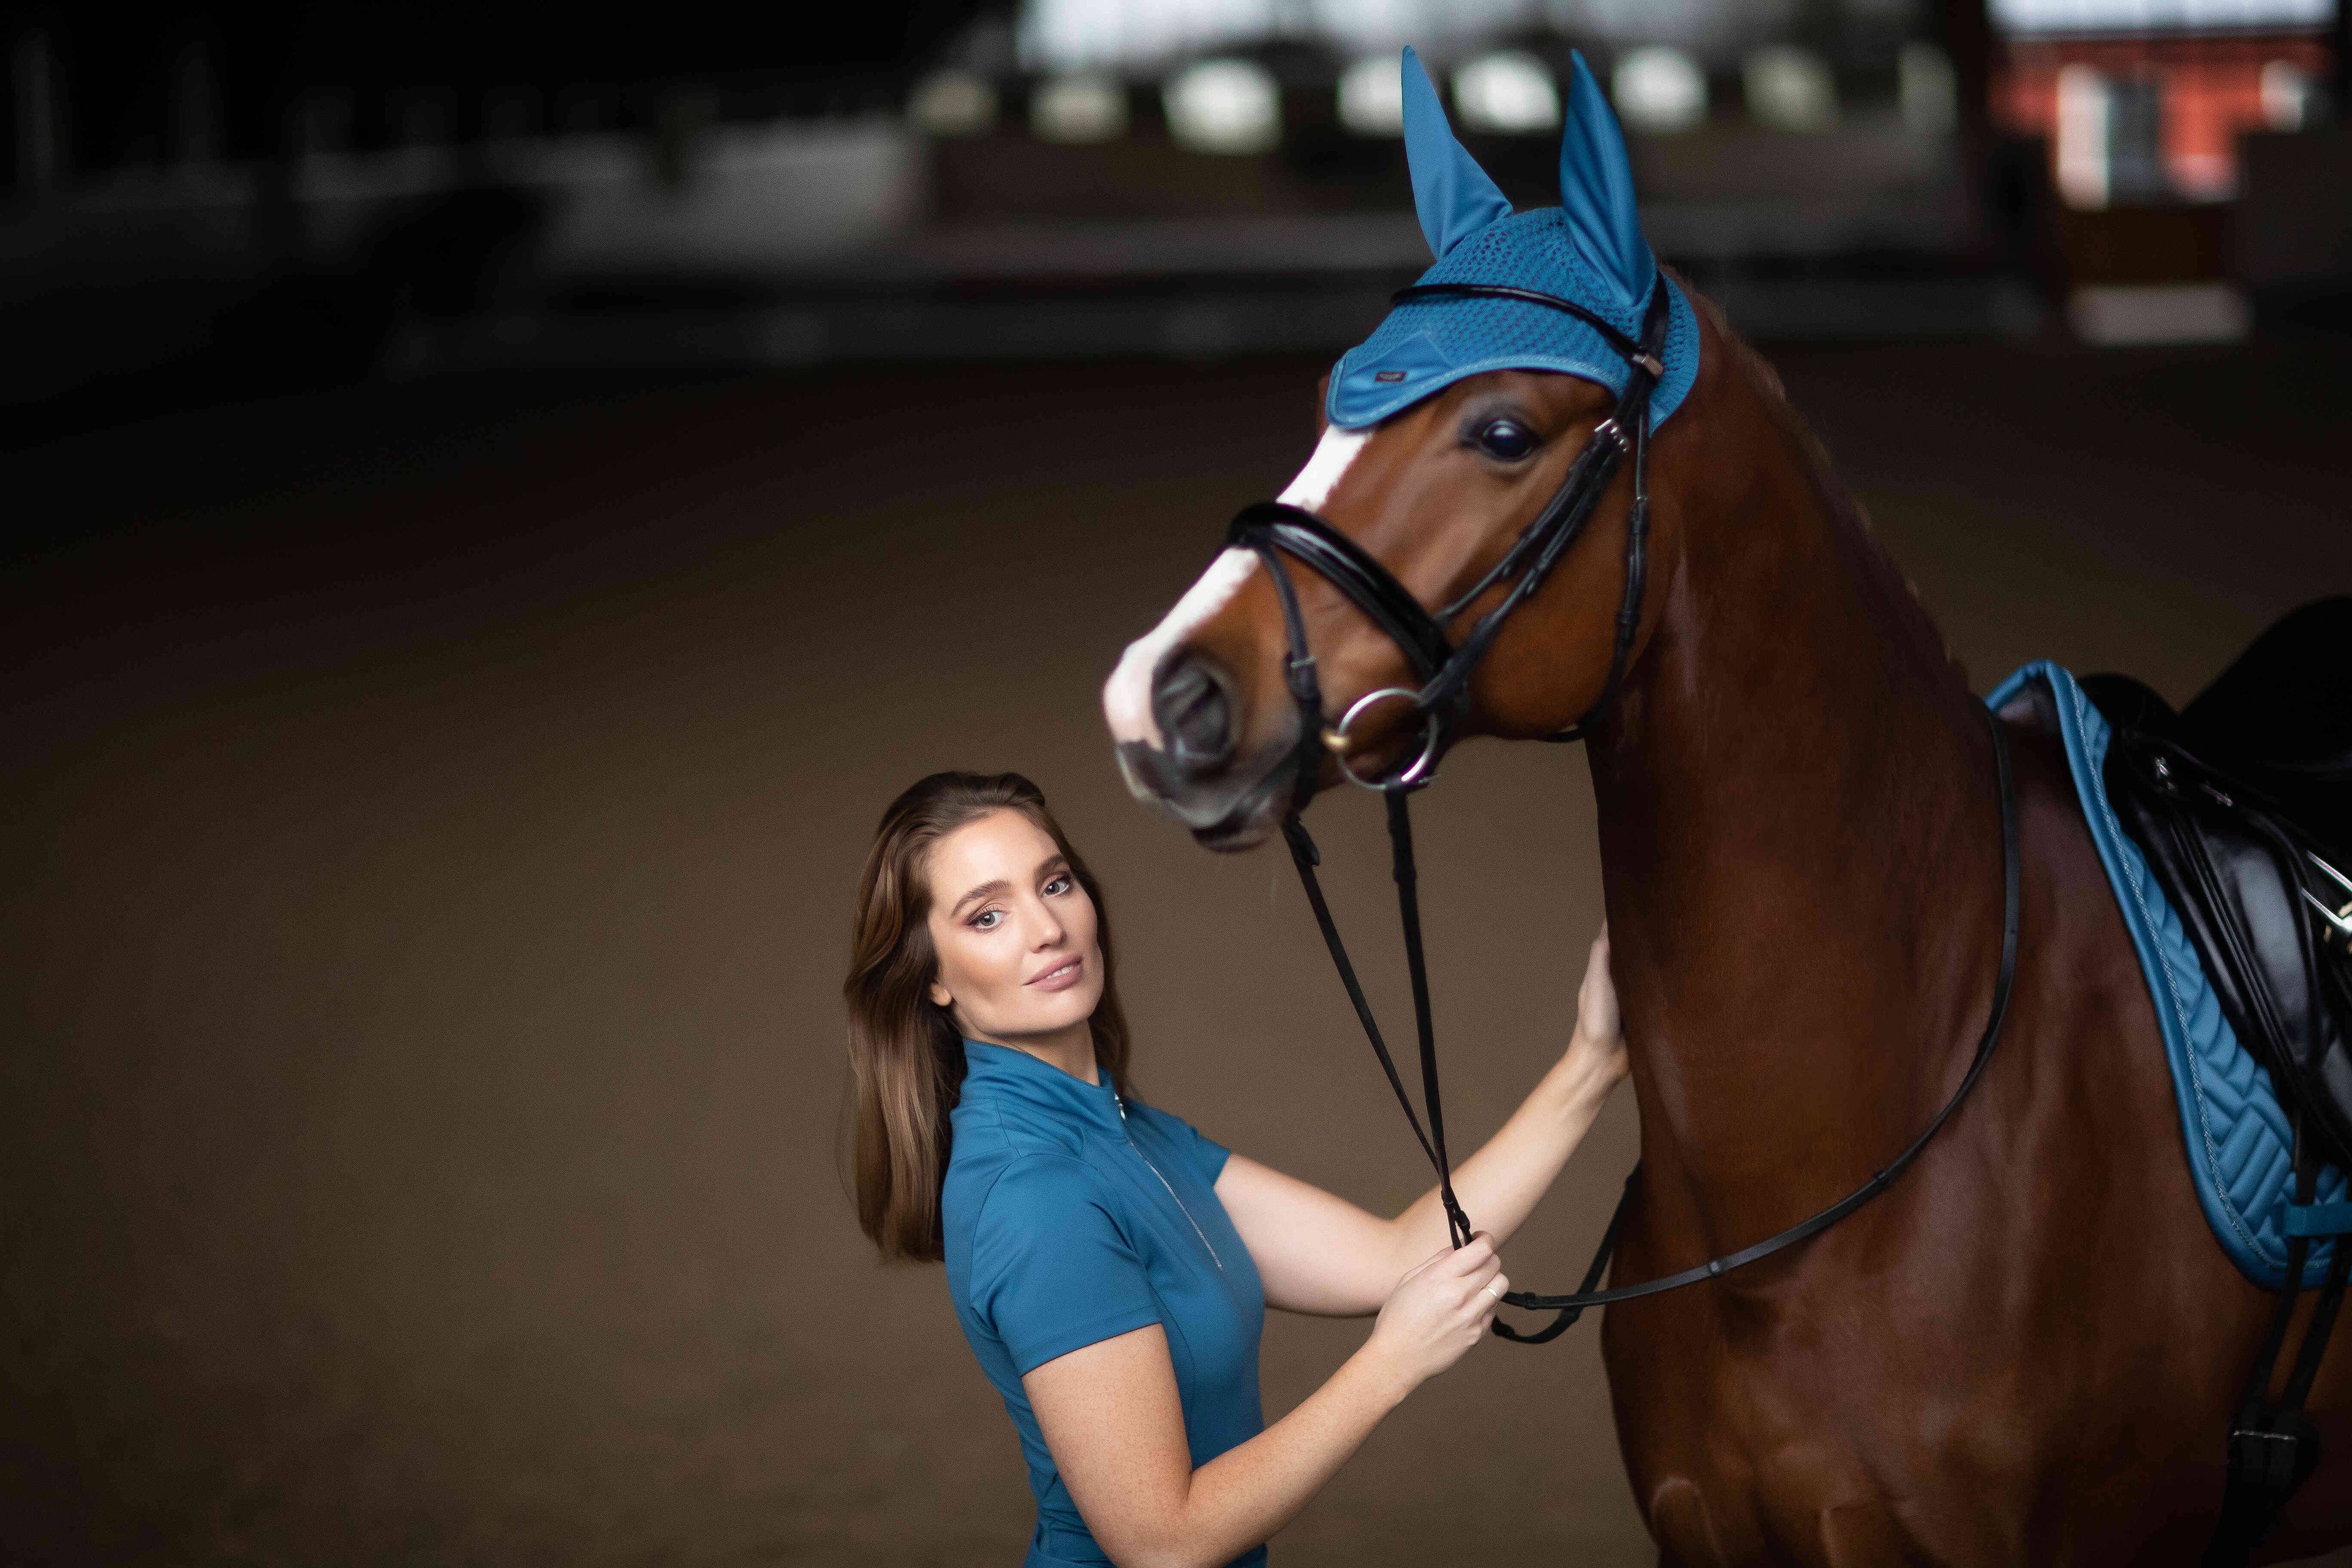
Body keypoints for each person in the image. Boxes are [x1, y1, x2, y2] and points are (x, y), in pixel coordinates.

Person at [844, 771, 1626, 1568]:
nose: (1046, 927)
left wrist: (1592, 1062)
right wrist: (1390, 1365)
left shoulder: (1128, 1135)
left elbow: (1394, 1258)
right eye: (987, 915)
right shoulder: (1037, 1198)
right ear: (932, 976)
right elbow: (1161, 1542)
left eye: (1056, 882)